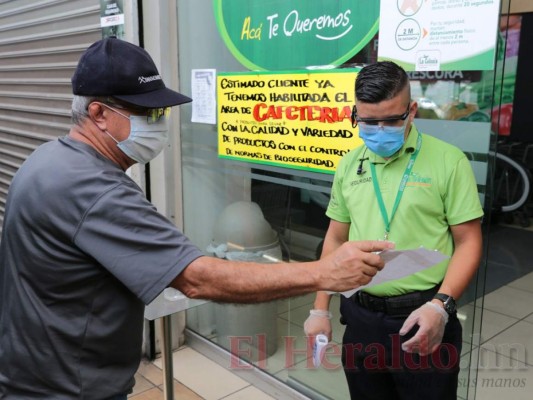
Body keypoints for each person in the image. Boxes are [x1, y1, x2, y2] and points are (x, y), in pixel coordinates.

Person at [0, 38, 394, 400]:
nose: (159, 123)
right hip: (68, 388)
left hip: (32, 368)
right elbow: (197, 278)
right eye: (148, 112)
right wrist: (323, 274)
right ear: (99, 114)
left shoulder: (47, 159)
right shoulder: (94, 187)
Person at [304, 61, 483, 400]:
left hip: (421, 315)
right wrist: (319, 308)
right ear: (355, 113)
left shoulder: (449, 161)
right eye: (368, 122)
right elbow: (336, 238)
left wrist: (440, 306)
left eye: (391, 120)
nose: (379, 130)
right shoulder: (349, 163)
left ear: (412, 110)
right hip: (360, 315)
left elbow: (469, 241)